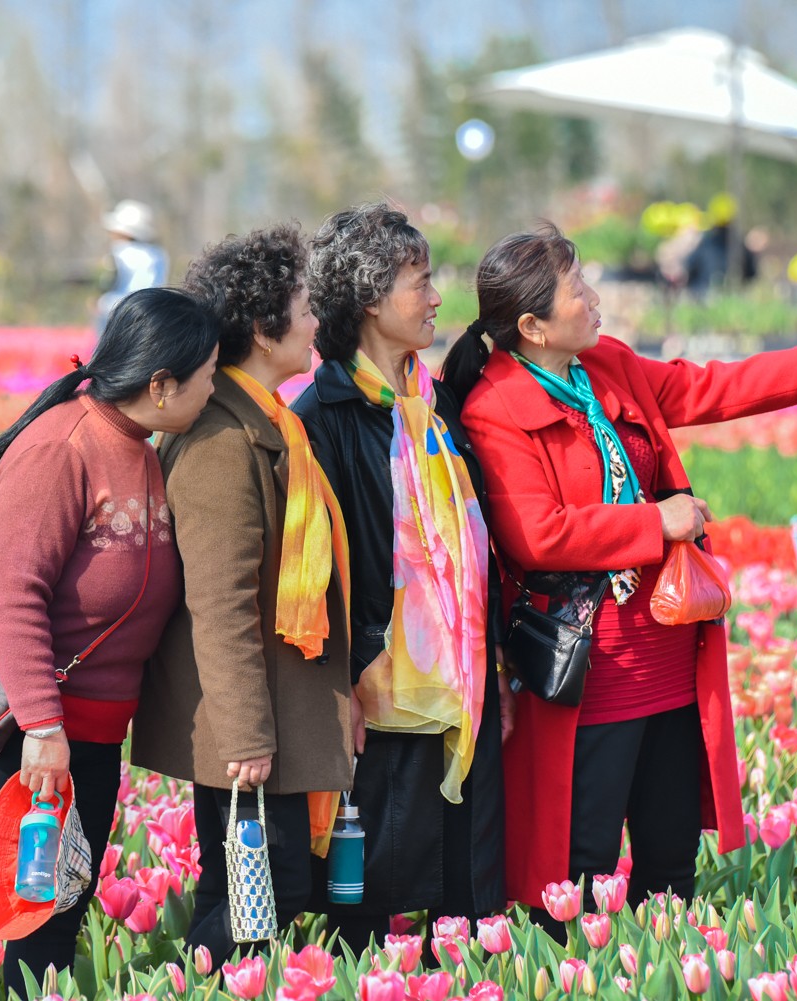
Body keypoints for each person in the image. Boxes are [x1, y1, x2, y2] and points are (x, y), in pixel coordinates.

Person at [442, 224, 797, 922]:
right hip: (589, 666)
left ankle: (668, 961)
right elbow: (538, 535)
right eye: (576, 289)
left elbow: (704, 388)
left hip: (669, 651)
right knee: (580, 872)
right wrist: (659, 523)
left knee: (671, 861)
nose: (594, 298)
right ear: (531, 325)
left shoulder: (606, 366)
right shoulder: (495, 409)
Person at [0, 288, 219, 991]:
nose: (214, 388)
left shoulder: (142, 448)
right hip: (18, 728)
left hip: (90, 736)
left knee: (54, 911)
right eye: (208, 374)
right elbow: (10, 595)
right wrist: (41, 724)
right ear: (161, 386)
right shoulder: (61, 447)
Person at [292, 203, 512, 952]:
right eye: (420, 281)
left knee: (465, 889)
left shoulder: (437, 405)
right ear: (368, 300)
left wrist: (497, 671)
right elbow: (311, 574)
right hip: (377, 690)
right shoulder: (323, 417)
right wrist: (340, 682)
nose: (435, 297)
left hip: (463, 681)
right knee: (374, 886)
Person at [130, 225, 354, 959]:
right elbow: (219, 606)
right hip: (249, 725)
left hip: (279, 709)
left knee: (251, 887)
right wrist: (247, 736)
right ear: (263, 328)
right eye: (304, 305)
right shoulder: (224, 443)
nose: (317, 321)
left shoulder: (270, 423)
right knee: (265, 890)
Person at [96, 200, 168, 338]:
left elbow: (108, 282)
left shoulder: (118, 252)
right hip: (149, 312)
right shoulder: (158, 255)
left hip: (115, 313)